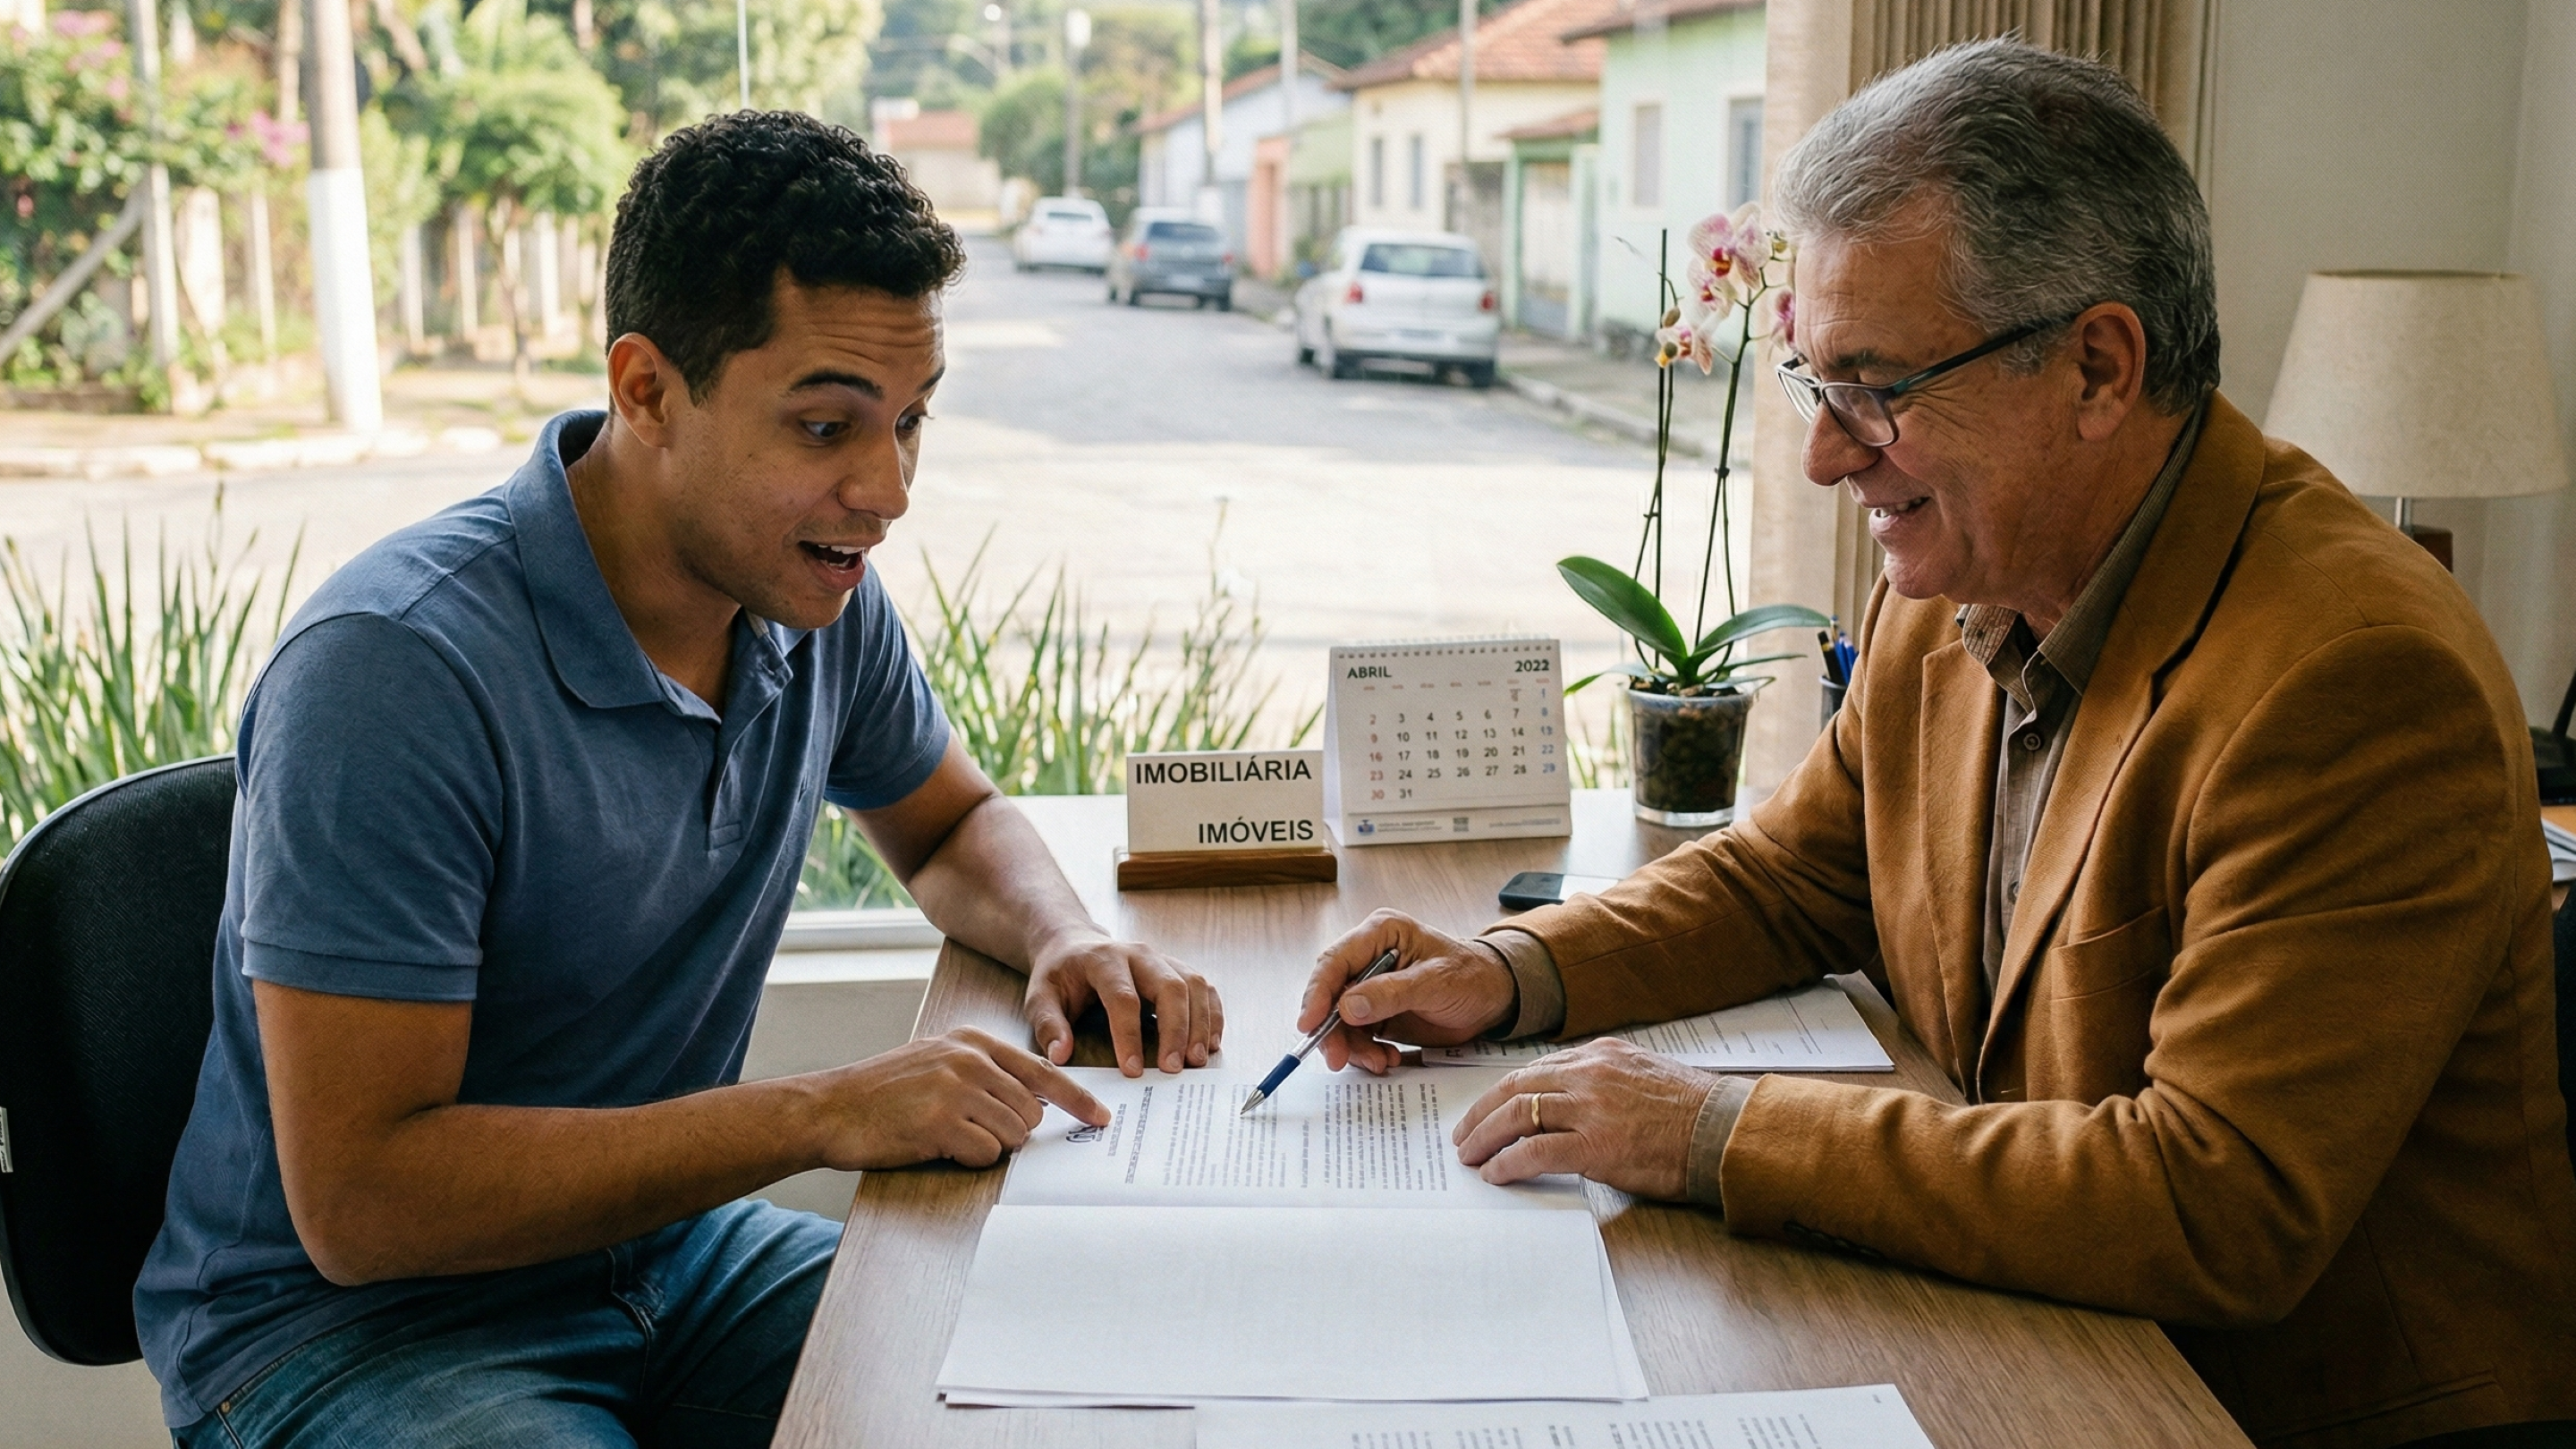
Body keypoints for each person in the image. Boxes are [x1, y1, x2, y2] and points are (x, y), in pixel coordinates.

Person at [1299, 39, 2576, 1449]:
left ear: (2098, 364)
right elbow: (1790, 879)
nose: (1826, 456)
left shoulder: (2355, 677)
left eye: (1877, 387)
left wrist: (1707, 1130)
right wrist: (1512, 973)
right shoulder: (1967, 569)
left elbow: (2216, 1200)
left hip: (2267, 1409)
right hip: (2030, 1330)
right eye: (1811, 381)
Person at [136, 110, 1223, 1447]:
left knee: (1090, 1386)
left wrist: (1063, 937)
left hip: (661, 1259)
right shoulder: (393, 673)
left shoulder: (806, 591)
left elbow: (950, 826)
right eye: (827, 426)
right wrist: (825, 1111)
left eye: (911, 423)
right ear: (647, 391)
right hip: (349, 1334)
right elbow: (366, 1205)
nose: (885, 491)